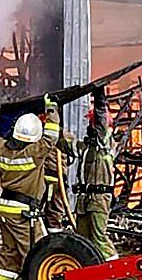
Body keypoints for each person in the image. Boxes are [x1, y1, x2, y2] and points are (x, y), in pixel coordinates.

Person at [0, 95, 60, 280]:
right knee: (33, 254)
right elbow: (51, 137)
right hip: (23, 211)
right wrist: (51, 108)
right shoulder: (35, 151)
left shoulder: (2, 148)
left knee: (9, 251)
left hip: (4, 208)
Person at [73, 88, 118, 260]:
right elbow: (66, 143)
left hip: (99, 200)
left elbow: (101, 122)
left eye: (90, 123)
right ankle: (89, 273)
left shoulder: (104, 144)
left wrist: (100, 99)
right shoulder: (88, 148)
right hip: (85, 200)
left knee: (99, 237)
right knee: (82, 240)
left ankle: (117, 274)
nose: (88, 127)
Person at [43, 131, 76, 230]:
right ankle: (54, 231)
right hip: (54, 179)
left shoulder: (44, 138)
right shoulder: (64, 137)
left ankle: (53, 232)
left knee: (52, 210)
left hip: (50, 179)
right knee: (54, 210)